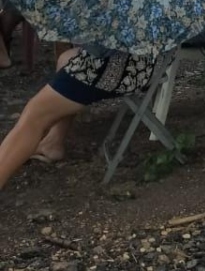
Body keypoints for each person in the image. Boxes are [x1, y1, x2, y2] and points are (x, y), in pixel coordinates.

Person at [0, 45, 159, 190]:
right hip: (148, 60)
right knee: (66, 58)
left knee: (34, 114)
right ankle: (53, 143)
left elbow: (104, 47)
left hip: (119, 65)